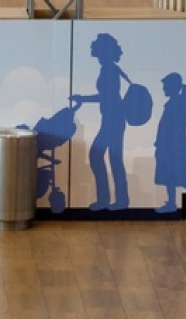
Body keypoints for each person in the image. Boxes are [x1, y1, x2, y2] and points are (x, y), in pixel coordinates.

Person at [69, 33, 130, 212]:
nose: (93, 48)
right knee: (111, 158)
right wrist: (84, 99)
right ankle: (116, 200)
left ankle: (112, 200)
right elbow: (107, 97)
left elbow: (107, 97)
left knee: (103, 157)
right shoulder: (110, 69)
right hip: (112, 119)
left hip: (112, 119)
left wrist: (83, 98)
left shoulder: (109, 70)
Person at [154, 72, 186, 213]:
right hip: (170, 146)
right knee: (174, 176)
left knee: (174, 175)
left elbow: (174, 126)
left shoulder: (177, 102)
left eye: (165, 86)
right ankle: (178, 200)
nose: (163, 89)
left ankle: (183, 198)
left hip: (173, 146)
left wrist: (164, 143)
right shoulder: (176, 101)